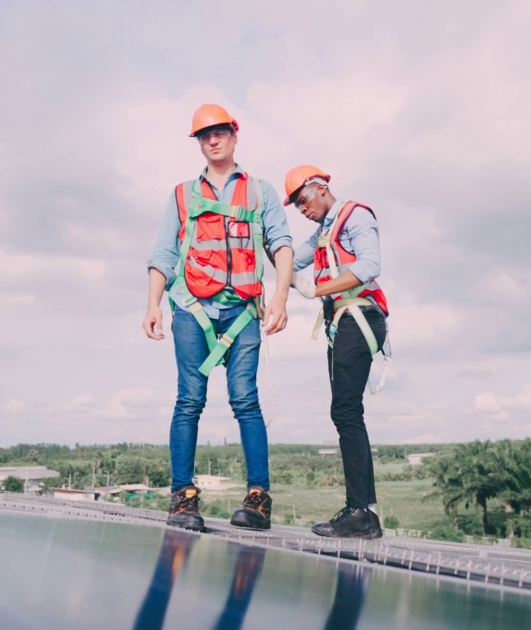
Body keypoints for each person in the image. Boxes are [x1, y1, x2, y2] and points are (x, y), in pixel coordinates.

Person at [143, 103, 294, 532]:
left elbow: (281, 246)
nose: (212, 140)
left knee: (245, 399)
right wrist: (153, 304)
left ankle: (258, 499)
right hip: (192, 308)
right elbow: (164, 254)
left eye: (220, 132)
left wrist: (280, 300)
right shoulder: (181, 194)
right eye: (204, 135)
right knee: (189, 399)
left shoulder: (261, 192)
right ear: (199, 143)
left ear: (234, 134)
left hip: (243, 312)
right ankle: (182, 497)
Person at [283, 165, 389, 539]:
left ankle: (362, 512)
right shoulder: (322, 233)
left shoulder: (355, 216)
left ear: (321, 187)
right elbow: (289, 260)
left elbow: (370, 265)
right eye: (296, 206)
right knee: (344, 412)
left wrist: (317, 290)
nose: (302, 209)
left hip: (359, 317)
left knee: (346, 412)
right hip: (341, 323)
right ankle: (364, 510)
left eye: (303, 200)